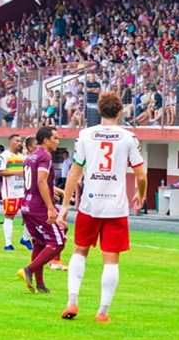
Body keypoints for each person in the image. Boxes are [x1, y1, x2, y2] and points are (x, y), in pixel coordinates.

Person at [57, 92, 148, 323]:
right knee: (111, 259)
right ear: (120, 112)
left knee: (80, 251)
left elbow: (75, 171)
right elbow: (141, 174)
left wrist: (65, 205)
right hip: (116, 206)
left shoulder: (85, 135)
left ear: (99, 111)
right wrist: (141, 193)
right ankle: (102, 311)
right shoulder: (128, 137)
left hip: (90, 203)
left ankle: (72, 301)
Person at [17, 126, 65, 294]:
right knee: (58, 242)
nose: (58, 141)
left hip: (27, 205)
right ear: (46, 140)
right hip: (39, 208)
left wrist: (52, 193)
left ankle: (41, 285)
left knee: (40, 242)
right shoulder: (45, 156)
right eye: (55, 138)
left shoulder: (31, 157)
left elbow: (37, 182)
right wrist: (51, 207)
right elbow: (41, 181)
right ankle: (28, 270)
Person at [0, 134, 30, 251]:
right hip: (10, 192)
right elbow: (0, 172)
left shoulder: (23, 157)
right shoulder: (4, 156)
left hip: (23, 191)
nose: (20, 143)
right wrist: (17, 173)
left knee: (29, 215)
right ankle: (8, 243)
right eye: (17, 141)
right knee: (9, 216)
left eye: (20, 141)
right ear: (11, 142)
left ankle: (25, 238)